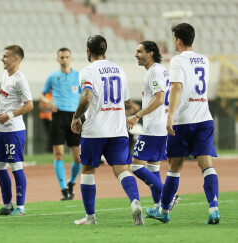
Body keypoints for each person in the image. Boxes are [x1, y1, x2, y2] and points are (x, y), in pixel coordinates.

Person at [146, 23, 220, 225]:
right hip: (204, 118)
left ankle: (163, 210)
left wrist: (169, 116)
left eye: (173, 38)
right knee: (207, 166)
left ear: (178, 39)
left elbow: (176, 88)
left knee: (174, 168)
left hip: (183, 121)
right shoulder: (204, 59)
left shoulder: (177, 60)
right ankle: (214, 208)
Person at [71, 35, 144, 226]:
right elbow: (127, 102)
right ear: (105, 49)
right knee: (122, 171)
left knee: (87, 170)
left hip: (95, 130)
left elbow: (86, 98)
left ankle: (90, 218)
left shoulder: (87, 71)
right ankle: (135, 202)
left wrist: (75, 116)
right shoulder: (119, 70)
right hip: (118, 130)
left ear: (88, 50)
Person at [126, 41, 181, 211]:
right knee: (153, 167)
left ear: (150, 53)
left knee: (135, 166)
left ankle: (168, 196)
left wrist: (137, 115)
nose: (136, 54)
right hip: (161, 125)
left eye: (139, 51)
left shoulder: (155, 72)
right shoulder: (161, 70)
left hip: (153, 127)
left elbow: (158, 99)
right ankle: (159, 206)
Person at [0, 45, 33, 216]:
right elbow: (4, 93)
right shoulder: (5, 75)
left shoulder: (19, 79)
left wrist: (9, 115)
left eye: (5, 56)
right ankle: (8, 204)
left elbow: (29, 104)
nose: (2, 58)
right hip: (1, 130)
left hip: (14, 130)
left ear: (16, 59)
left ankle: (21, 208)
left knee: (16, 167)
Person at [40, 48, 81, 200]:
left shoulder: (78, 76)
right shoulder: (53, 77)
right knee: (59, 154)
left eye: (67, 57)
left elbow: (85, 95)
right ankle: (64, 189)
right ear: (57, 59)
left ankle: (71, 183)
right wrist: (48, 102)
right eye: (61, 57)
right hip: (58, 117)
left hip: (74, 117)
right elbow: (42, 95)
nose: (64, 59)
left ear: (71, 58)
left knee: (77, 158)